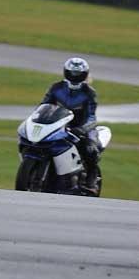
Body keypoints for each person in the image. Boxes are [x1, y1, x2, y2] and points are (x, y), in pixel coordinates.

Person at [41, 57, 101, 194]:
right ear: (65, 72)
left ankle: (91, 181)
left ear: (85, 74)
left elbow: (92, 116)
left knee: (91, 149)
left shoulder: (89, 93)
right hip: (58, 125)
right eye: (72, 72)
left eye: (78, 73)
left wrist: (83, 128)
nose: (74, 76)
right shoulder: (56, 88)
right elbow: (43, 106)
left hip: (83, 127)